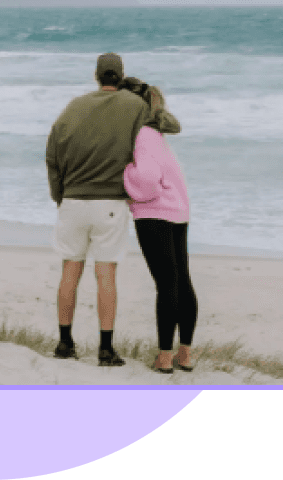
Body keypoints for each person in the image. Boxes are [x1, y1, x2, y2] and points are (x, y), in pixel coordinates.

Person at [46, 54, 150, 366]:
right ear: (121, 76)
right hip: (110, 204)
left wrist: (60, 195)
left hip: (74, 202)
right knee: (106, 275)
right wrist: (141, 90)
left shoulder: (74, 106)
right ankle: (106, 349)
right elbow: (166, 128)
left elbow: (52, 154)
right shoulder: (135, 107)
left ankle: (65, 343)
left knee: (70, 272)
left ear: (96, 76)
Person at [121, 77, 198, 374]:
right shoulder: (157, 134)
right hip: (178, 211)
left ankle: (164, 357)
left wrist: (125, 173)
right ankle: (185, 354)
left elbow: (147, 180)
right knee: (182, 281)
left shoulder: (140, 135)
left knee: (166, 284)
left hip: (155, 213)